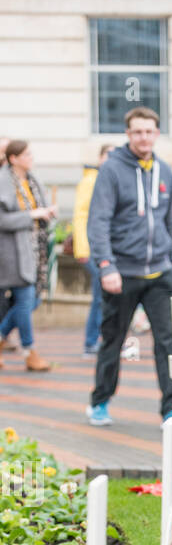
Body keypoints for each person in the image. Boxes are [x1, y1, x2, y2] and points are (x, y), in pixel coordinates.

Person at [86, 106, 172, 427]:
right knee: (114, 340)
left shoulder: (163, 170)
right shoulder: (111, 170)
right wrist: (106, 265)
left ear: (157, 133)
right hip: (121, 274)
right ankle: (99, 402)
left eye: (149, 131)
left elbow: (168, 219)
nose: (144, 137)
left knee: (169, 343)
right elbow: (98, 221)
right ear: (128, 134)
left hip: (160, 273)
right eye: (137, 132)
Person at [0, 139, 56, 372]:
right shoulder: (4, 180)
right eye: (26, 155)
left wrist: (46, 213)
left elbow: (38, 209)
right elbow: (2, 219)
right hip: (11, 251)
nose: (31, 158)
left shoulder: (32, 180)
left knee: (31, 300)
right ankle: (30, 352)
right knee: (25, 300)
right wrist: (32, 215)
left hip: (34, 250)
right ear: (14, 158)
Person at [73, 143, 114, 356]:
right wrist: (82, 249)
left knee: (105, 296)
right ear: (100, 158)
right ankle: (91, 342)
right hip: (91, 249)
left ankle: (102, 339)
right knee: (100, 296)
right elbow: (80, 216)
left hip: (106, 249)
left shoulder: (108, 179)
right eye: (108, 155)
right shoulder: (90, 181)